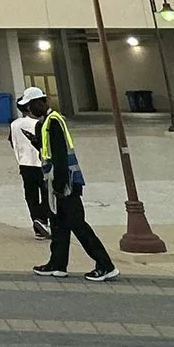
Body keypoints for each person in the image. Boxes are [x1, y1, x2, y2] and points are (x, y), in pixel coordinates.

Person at [31, 98, 118, 281]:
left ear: (41, 103)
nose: (30, 111)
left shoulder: (53, 121)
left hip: (66, 183)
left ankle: (105, 265)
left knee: (78, 225)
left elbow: (61, 155)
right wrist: (37, 143)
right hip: (59, 181)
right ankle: (57, 264)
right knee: (59, 225)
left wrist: (59, 185)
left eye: (31, 107)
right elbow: (50, 151)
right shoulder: (47, 122)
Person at [9, 86, 52, 238]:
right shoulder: (40, 124)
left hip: (24, 164)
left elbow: (12, 142)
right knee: (47, 194)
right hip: (40, 164)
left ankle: (37, 223)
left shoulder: (14, 124)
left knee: (31, 195)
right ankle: (43, 219)